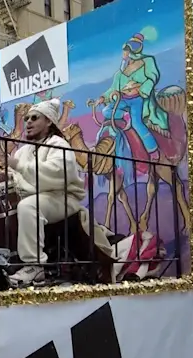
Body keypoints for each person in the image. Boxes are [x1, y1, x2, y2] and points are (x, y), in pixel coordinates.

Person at [6, 98, 113, 286]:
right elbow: (20, 176)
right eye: (27, 118)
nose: (28, 122)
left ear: (48, 121)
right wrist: (8, 176)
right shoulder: (24, 151)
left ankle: (34, 266)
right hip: (40, 198)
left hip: (62, 198)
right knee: (16, 208)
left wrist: (19, 167)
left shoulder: (59, 145)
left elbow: (55, 173)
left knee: (29, 206)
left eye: (34, 117)